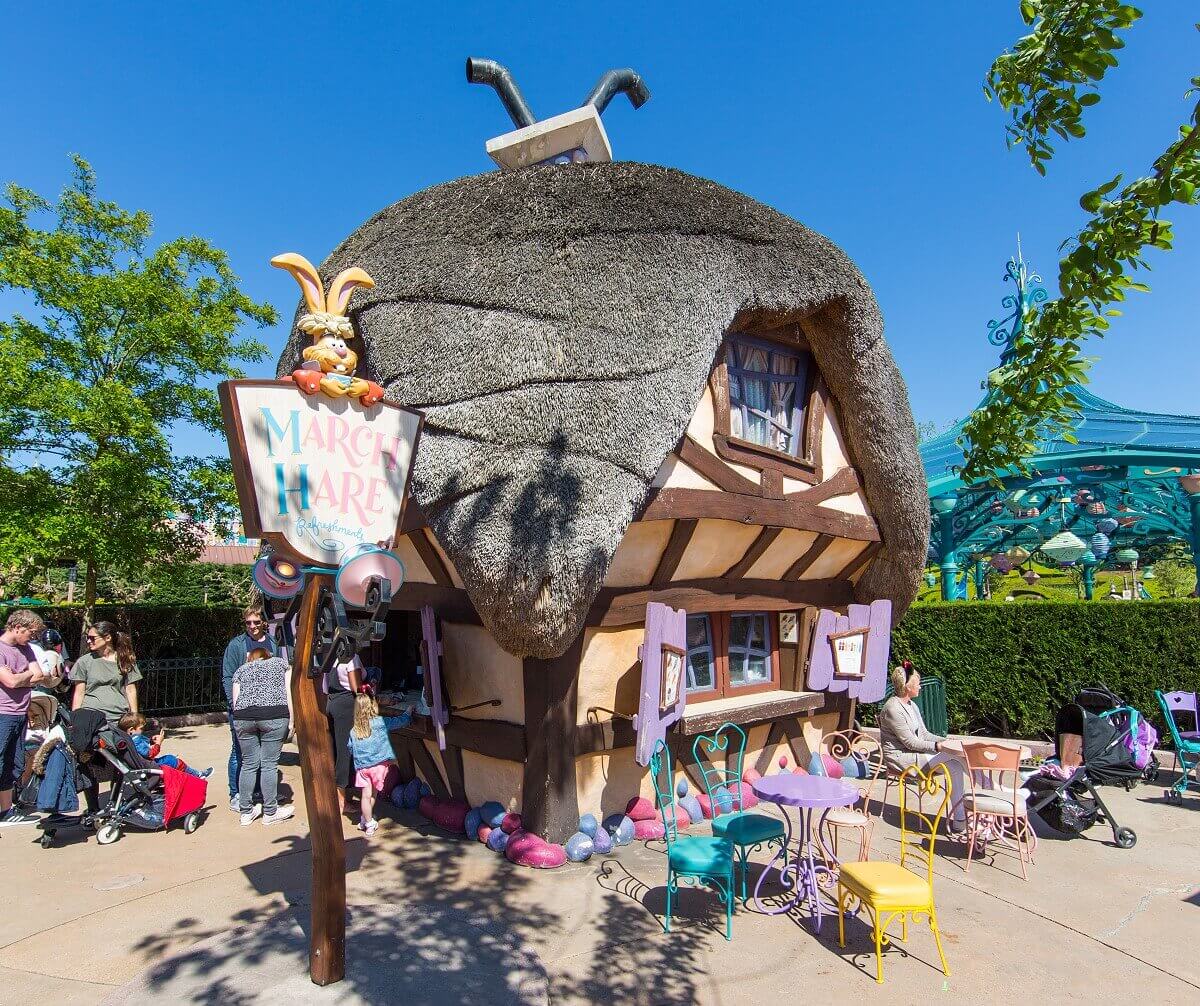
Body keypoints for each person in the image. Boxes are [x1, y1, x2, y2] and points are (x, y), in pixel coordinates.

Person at [878, 661, 966, 832]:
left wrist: (946, 742)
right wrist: (940, 747)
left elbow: (924, 735)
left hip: (916, 755)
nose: (920, 686)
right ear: (907, 687)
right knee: (956, 756)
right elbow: (910, 742)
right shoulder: (893, 709)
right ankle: (993, 791)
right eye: (917, 682)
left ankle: (960, 819)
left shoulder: (912, 705)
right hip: (901, 758)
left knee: (955, 765)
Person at [230, 647, 294, 826]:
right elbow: (288, 692)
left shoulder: (240, 670)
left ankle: (245, 812)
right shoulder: (280, 664)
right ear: (268, 656)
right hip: (274, 715)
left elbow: (236, 702)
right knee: (269, 764)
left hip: (244, 718)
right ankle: (270, 811)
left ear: (250, 658)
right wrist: (291, 720)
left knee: (248, 764)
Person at [222, 607, 278, 811]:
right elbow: (228, 675)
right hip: (242, 706)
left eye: (256, 622)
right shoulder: (236, 645)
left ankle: (259, 790)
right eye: (248, 623)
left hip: (267, 706)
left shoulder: (272, 643)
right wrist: (233, 703)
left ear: (263, 622)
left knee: (264, 752)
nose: (252, 626)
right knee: (239, 751)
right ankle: (235, 792)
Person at [0, 610, 47, 826]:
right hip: (3, 712)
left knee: (13, 762)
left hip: (20, 711)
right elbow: (9, 682)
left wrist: (22, 677)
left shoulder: (26, 648)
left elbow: (40, 675)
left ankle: (6, 809)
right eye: (31, 632)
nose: (33, 638)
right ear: (18, 627)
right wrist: (25, 676)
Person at [348, 685, 411, 835]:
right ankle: (369, 823)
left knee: (365, 795)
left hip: (362, 768)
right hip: (377, 766)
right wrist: (408, 713)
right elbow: (399, 722)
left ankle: (365, 819)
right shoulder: (380, 723)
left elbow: (350, 747)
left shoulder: (353, 730)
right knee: (373, 795)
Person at [70, 621, 141, 724]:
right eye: (87, 638)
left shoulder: (124, 660)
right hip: (90, 717)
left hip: (118, 717)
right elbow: (79, 692)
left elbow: (130, 690)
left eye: (92, 638)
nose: (89, 641)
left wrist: (134, 716)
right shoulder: (84, 661)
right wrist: (75, 718)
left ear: (108, 638)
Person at [118, 713, 212, 779]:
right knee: (172, 760)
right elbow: (150, 754)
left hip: (142, 764)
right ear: (131, 730)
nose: (143, 730)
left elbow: (141, 748)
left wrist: (151, 741)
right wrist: (158, 743)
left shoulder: (128, 738)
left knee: (171, 759)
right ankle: (197, 775)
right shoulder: (136, 739)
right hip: (149, 766)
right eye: (141, 728)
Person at [326, 655, 363, 813]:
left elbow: (324, 685)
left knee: (335, 750)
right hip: (347, 705)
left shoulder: (330, 657)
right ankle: (342, 802)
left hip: (332, 702)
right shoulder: (352, 657)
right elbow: (356, 688)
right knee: (345, 752)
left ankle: (337, 796)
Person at [30, 628, 67, 695]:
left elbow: (65, 662)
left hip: (53, 683)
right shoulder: (38, 649)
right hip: (41, 684)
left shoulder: (56, 655)